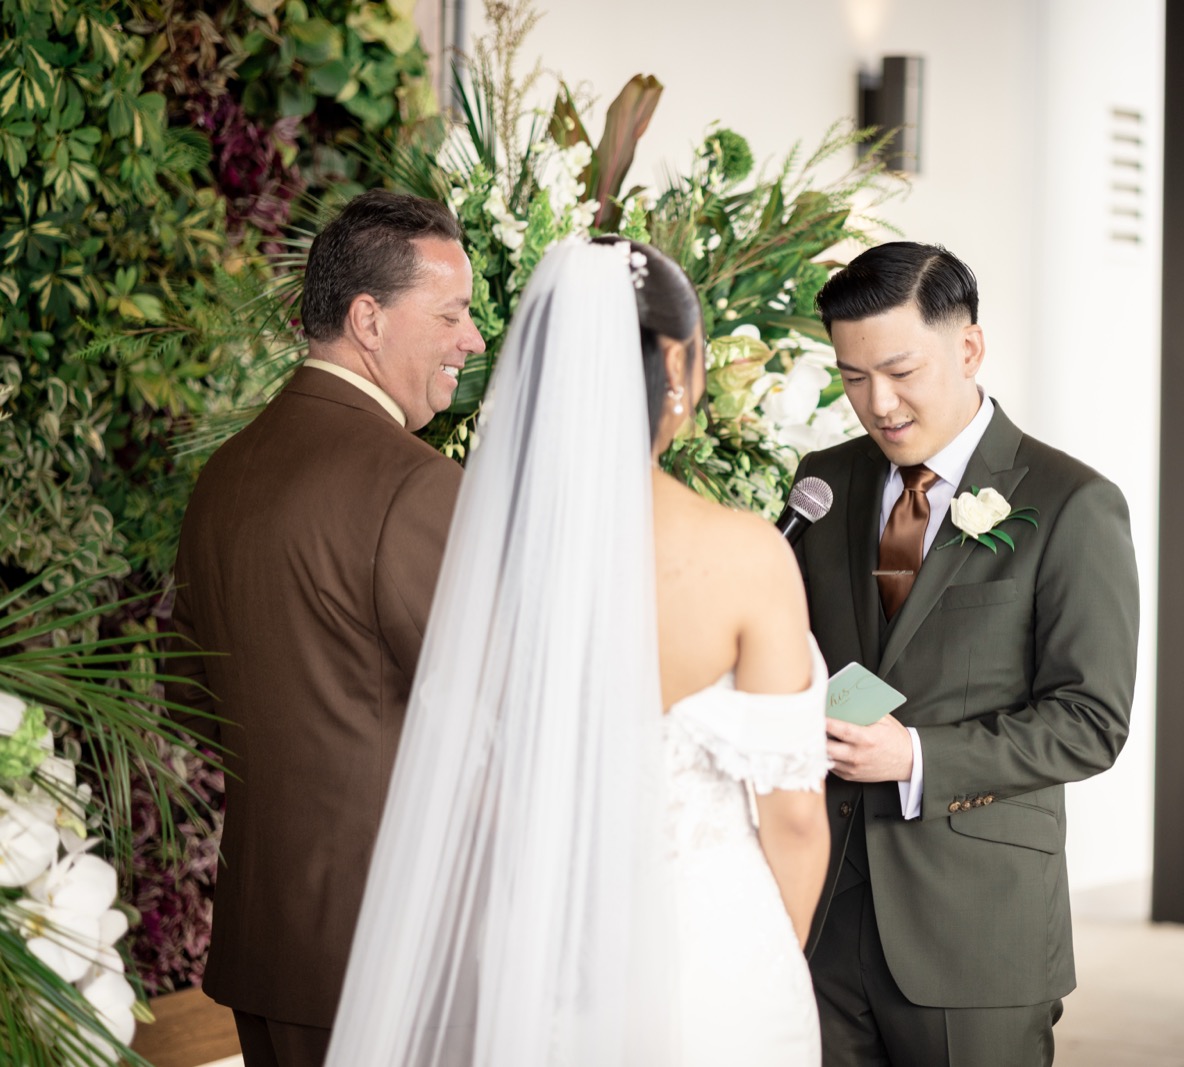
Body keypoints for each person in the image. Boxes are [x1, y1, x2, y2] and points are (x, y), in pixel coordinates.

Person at [324, 238, 831, 1066]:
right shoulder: (746, 555)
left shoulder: (491, 562)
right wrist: (772, 959)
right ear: (679, 365)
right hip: (718, 963)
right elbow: (798, 816)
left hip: (550, 965)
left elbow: (480, 799)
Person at [791, 242, 1140, 1066]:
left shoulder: (1072, 503)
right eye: (851, 377)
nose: (878, 402)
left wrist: (914, 754)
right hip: (826, 917)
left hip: (977, 927)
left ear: (969, 347)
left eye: (901, 371)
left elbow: (1091, 721)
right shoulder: (824, 482)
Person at [165, 190, 486, 1067]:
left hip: (265, 939)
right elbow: (491, 716)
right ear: (368, 319)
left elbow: (190, 700)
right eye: (453, 313)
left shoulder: (225, 472)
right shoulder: (415, 485)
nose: (474, 339)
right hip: (387, 949)